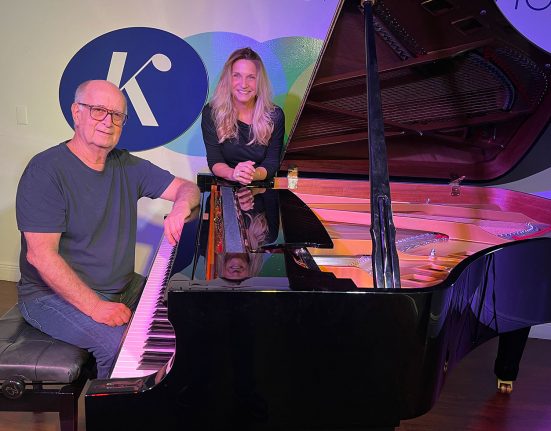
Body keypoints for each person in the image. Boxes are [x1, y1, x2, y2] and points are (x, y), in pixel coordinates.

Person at [15, 80, 200, 379]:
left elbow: (188, 188)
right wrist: (96, 307)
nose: (108, 122)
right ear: (77, 113)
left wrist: (180, 206)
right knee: (123, 350)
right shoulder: (45, 171)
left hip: (123, 288)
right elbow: (41, 256)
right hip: (48, 297)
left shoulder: (126, 165)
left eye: (117, 115)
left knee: (185, 314)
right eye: (99, 110)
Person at [201, 47, 285, 185]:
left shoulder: (275, 115)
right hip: (226, 184)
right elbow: (215, 161)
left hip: (260, 187)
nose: (244, 84)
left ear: (259, 81)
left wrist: (252, 175)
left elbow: (272, 162)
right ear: (228, 79)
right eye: (237, 76)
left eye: (251, 77)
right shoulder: (212, 113)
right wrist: (234, 174)